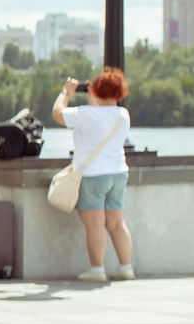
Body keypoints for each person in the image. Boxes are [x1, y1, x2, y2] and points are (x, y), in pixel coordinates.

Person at [53, 67, 134, 282]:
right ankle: (126, 267)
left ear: (97, 91)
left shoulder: (87, 114)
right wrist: (95, 96)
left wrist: (66, 92)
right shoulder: (123, 115)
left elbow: (57, 113)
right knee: (117, 223)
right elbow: (104, 112)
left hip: (93, 175)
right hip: (118, 173)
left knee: (95, 225)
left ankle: (97, 270)